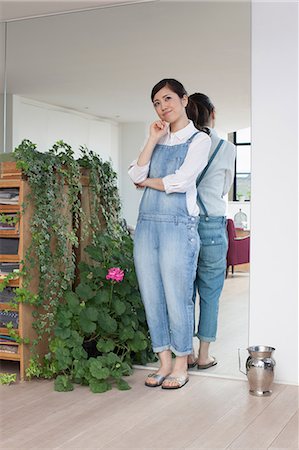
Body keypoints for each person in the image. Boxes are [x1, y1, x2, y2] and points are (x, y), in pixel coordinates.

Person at [128, 79, 211, 389]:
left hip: (179, 227)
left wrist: (147, 181)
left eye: (167, 99)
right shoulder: (157, 137)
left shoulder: (199, 140)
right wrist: (151, 139)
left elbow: (181, 181)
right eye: (157, 103)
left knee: (178, 297)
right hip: (147, 226)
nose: (163, 106)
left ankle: (181, 362)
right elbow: (135, 173)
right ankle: (162, 360)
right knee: (151, 294)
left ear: (184, 99)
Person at [186, 92, 236, 369]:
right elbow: (224, 187)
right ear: (212, 113)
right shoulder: (226, 148)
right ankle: (204, 355)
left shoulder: (185, 144)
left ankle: (187, 353)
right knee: (210, 292)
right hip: (214, 226)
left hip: (186, 224)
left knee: (185, 292)